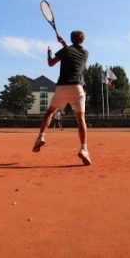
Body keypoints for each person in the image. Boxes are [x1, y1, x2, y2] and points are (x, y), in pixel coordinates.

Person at [32, 30, 91, 165]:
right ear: (83, 40)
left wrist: (49, 54)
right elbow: (71, 52)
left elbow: (51, 63)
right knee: (81, 119)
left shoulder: (66, 51)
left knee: (49, 113)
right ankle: (84, 148)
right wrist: (63, 43)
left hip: (62, 87)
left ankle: (41, 136)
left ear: (72, 39)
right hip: (77, 88)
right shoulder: (85, 53)